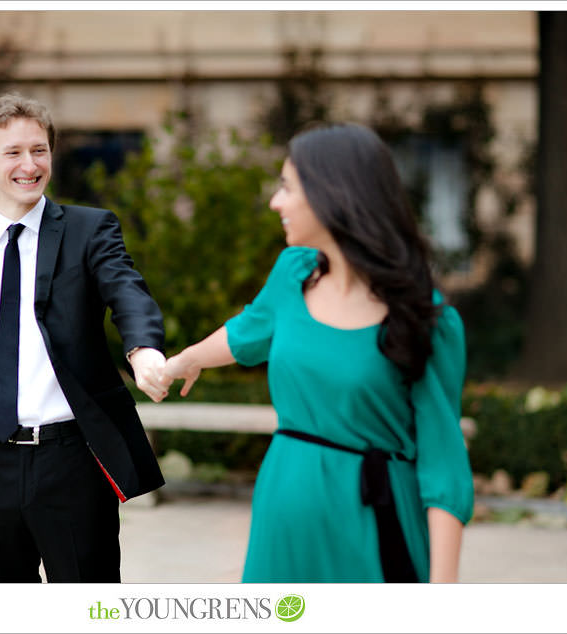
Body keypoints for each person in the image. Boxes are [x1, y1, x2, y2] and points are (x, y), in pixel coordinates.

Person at [161, 123, 474, 583]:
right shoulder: (293, 274)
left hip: (375, 523)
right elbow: (248, 331)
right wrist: (186, 360)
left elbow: (444, 469)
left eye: (287, 186)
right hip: (283, 512)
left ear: (333, 194)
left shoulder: (427, 320)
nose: (275, 201)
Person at [0, 93, 169, 583]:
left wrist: (143, 347)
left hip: (71, 464)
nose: (29, 164)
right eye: (13, 152)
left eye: (39, 150)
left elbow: (126, 290)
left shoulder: (90, 230)